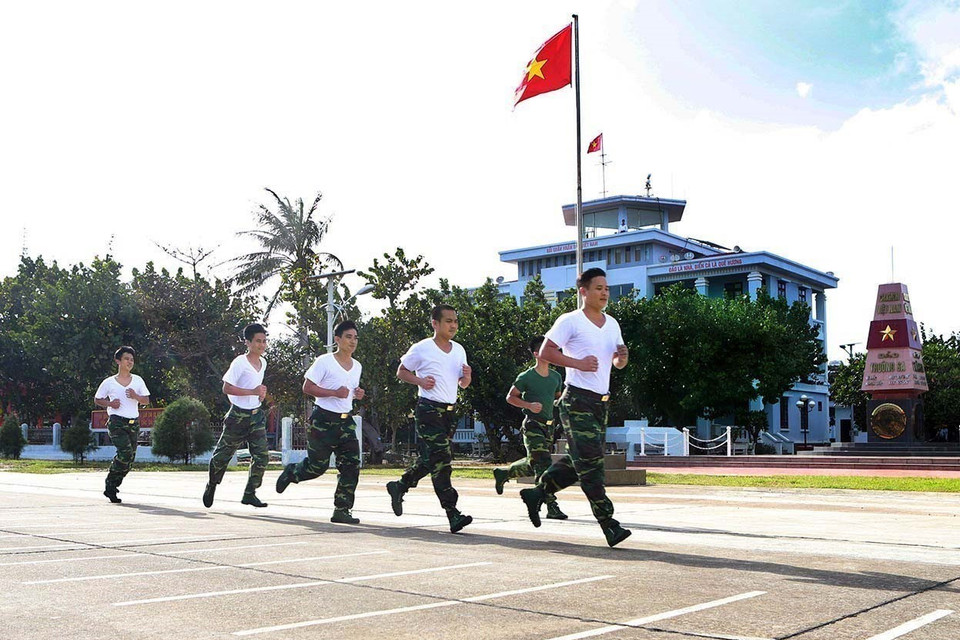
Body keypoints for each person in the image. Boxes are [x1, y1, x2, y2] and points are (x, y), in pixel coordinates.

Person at [518, 268, 632, 547]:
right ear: (583, 291)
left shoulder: (612, 324)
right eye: (598, 288)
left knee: (578, 461)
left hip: (600, 403)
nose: (604, 293)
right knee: (592, 465)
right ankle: (609, 523)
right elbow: (547, 352)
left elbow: (616, 363)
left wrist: (622, 359)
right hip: (577, 400)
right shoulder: (570, 321)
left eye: (606, 288)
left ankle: (538, 493)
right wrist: (578, 364)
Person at [386, 304, 473, 533]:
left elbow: (462, 383)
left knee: (431, 458)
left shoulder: (459, 350)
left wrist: (467, 377)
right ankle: (452, 513)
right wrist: (420, 382)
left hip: (450, 412)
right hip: (428, 409)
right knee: (442, 459)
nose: (453, 325)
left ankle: (400, 485)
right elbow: (401, 371)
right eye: (448, 321)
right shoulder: (422, 348)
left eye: (455, 321)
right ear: (435, 324)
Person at [276, 320, 364, 524]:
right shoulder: (324, 361)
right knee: (317, 467)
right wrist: (333, 393)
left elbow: (349, 393)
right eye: (348, 337)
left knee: (351, 466)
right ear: (337, 339)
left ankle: (342, 510)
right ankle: (292, 472)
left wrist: (357, 394)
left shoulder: (357, 366)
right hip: (323, 419)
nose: (353, 342)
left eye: (355, 338)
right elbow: (307, 387)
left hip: (346, 421)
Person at [493, 336, 567, 520]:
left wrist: (564, 400)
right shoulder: (526, 377)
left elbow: (556, 398)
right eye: (546, 349)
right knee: (544, 464)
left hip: (549, 427)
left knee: (533, 464)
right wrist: (528, 405)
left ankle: (503, 473)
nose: (551, 352)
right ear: (536, 354)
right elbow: (510, 397)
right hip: (533, 425)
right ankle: (551, 505)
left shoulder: (556, 377)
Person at [203, 323, 270, 508]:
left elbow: (256, 388)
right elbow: (226, 388)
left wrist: (260, 393)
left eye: (264, 341)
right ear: (248, 342)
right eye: (258, 341)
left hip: (256, 415)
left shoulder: (263, 362)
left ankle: (250, 493)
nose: (262, 345)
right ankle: (212, 485)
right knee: (222, 456)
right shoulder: (240, 362)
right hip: (238, 416)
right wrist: (252, 391)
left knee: (262, 456)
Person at [94, 346, 150, 504]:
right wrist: (110, 403)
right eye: (126, 359)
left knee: (130, 458)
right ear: (118, 361)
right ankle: (111, 485)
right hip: (117, 421)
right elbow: (97, 399)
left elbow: (146, 400)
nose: (130, 362)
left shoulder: (138, 380)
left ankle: (112, 486)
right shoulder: (109, 382)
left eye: (132, 359)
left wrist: (135, 396)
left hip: (134, 422)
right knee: (125, 453)